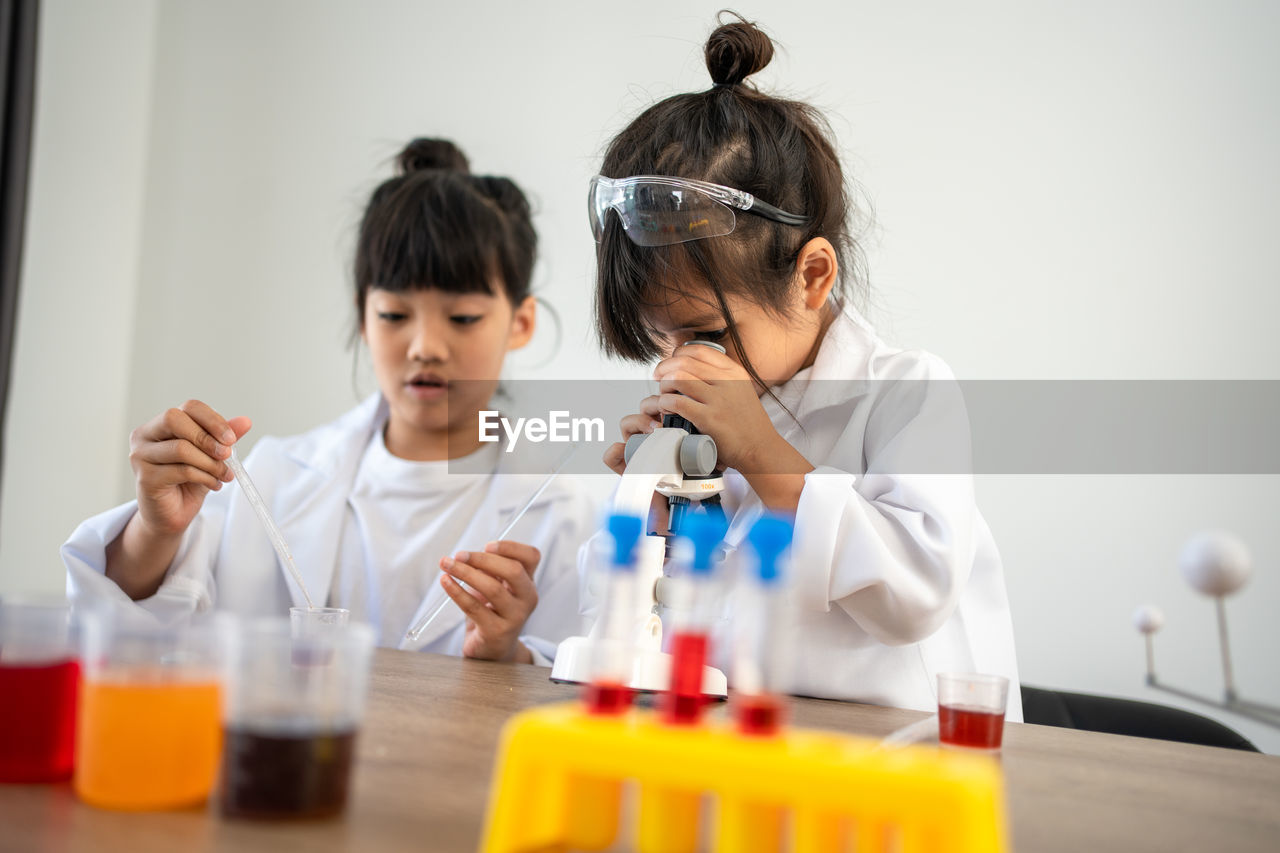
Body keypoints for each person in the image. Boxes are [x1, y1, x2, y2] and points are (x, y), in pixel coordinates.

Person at [587, 17, 1022, 717]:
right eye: (655, 341)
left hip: (904, 768)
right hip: (745, 751)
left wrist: (763, 453)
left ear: (812, 276)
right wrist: (648, 520)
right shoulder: (697, 414)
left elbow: (917, 592)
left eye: (701, 333)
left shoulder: (905, 394)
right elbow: (633, 632)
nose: (678, 363)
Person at [63, 138, 595, 664]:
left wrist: (509, 657)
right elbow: (131, 638)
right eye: (393, 315)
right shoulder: (271, 478)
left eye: (462, 318)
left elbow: (579, 696)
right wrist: (156, 531)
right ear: (363, 318)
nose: (424, 347)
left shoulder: (566, 513)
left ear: (521, 323)